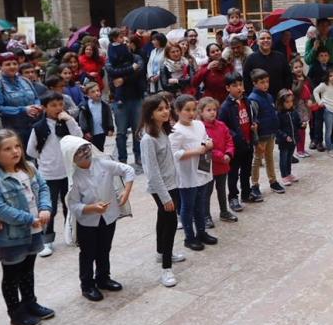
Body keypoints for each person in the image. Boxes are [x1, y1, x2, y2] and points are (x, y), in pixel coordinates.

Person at [0, 130, 55, 325]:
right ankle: (16, 314)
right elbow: (0, 209)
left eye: (17, 147)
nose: (15, 151)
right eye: (7, 149)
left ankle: (30, 303)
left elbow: (43, 187)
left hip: (34, 232)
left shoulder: (29, 168)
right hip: (11, 237)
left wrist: (45, 207)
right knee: (12, 275)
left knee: (27, 270)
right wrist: (30, 219)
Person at [62, 136, 134, 301]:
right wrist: (92, 208)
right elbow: (73, 205)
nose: (84, 153)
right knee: (88, 253)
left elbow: (128, 171)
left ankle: (103, 277)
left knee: (104, 248)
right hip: (88, 222)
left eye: (85, 148)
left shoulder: (103, 164)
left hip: (108, 217)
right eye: (78, 152)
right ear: (71, 157)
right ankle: (87, 285)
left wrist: (126, 191)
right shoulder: (74, 178)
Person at [26, 92, 82, 258]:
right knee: (49, 208)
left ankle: (71, 234)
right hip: (48, 175)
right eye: (53, 105)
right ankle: (46, 240)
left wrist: (70, 120)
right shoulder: (39, 127)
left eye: (60, 104)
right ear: (44, 108)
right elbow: (31, 151)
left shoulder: (66, 123)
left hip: (68, 172)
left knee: (70, 205)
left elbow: (78, 137)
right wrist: (46, 160)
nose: (58, 108)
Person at [140, 95, 183, 287]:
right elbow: (152, 172)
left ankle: (161, 253)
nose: (165, 111)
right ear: (150, 113)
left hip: (171, 184)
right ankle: (166, 268)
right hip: (162, 188)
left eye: (166, 107)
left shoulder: (163, 130)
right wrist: (165, 197)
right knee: (171, 223)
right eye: (160, 109)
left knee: (163, 219)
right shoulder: (148, 139)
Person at [169, 94, 217, 251]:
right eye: (186, 110)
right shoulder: (175, 131)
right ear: (177, 111)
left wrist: (209, 143)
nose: (191, 113)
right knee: (188, 206)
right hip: (187, 174)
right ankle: (189, 237)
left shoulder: (199, 124)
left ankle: (201, 232)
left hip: (201, 170)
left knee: (201, 203)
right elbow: (175, 154)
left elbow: (205, 138)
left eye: (193, 109)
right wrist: (196, 151)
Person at [104, 38, 145, 167]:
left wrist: (123, 79)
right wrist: (130, 70)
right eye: (122, 43)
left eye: (127, 42)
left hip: (136, 98)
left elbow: (139, 71)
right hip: (119, 100)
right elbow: (111, 72)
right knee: (121, 132)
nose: (125, 44)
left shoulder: (136, 58)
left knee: (137, 130)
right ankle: (122, 159)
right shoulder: (111, 61)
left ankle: (138, 155)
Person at [246, 69, 285, 200]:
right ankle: (255, 185)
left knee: (269, 158)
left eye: (267, 82)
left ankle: (273, 181)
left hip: (270, 133)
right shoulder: (253, 99)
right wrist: (256, 140)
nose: (265, 85)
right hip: (261, 136)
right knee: (257, 160)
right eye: (262, 82)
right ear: (254, 83)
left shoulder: (268, 96)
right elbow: (253, 121)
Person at [0, 52, 42, 145]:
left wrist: (37, 106)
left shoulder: (25, 80)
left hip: (33, 127)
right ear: (0, 66)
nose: (12, 66)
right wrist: (23, 110)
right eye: (7, 64)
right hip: (13, 131)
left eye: (14, 63)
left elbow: (36, 98)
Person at [217, 73, 252, 212]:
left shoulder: (246, 101)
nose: (239, 88)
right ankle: (233, 197)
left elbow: (250, 117)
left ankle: (246, 193)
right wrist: (236, 136)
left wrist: (255, 125)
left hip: (248, 142)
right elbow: (224, 127)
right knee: (233, 173)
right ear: (227, 88)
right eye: (234, 85)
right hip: (236, 146)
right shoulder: (225, 107)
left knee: (246, 171)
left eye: (240, 85)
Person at [199, 97, 236, 223]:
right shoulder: (200, 128)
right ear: (201, 112)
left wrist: (229, 153)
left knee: (221, 189)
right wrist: (222, 156)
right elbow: (206, 148)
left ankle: (224, 211)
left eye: (214, 109)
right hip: (208, 165)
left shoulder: (222, 125)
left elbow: (229, 140)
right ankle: (205, 216)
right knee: (206, 192)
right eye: (208, 110)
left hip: (223, 164)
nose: (212, 112)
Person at [243, 30, 291, 96]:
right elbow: (246, 81)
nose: (266, 40)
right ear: (257, 42)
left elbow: (288, 76)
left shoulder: (280, 57)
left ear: (272, 41)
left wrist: (286, 91)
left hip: (280, 98)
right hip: (260, 100)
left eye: (268, 38)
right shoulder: (250, 59)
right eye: (262, 38)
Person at [313, 69, 333, 157]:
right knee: (329, 131)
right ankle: (330, 148)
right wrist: (319, 102)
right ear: (327, 76)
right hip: (328, 110)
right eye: (330, 76)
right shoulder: (324, 85)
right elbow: (315, 91)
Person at [274, 90, 300, 185]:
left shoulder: (293, 112)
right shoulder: (278, 114)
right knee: (283, 158)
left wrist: (302, 124)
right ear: (281, 103)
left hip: (293, 139)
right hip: (284, 141)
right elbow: (276, 128)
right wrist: (285, 136)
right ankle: (284, 175)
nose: (290, 104)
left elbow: (297, 123)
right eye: (287, 102)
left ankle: (288, 174)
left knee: (289, 158)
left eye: (291, 101)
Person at [289, 58, 313, 158]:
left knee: (304, 128)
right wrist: (300, 82)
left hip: (305, 107)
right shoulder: (293, 80)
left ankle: (302, 149)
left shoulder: (306, 78)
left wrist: (311, 99)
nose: (298, 69)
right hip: (297, 107)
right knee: (299, 128)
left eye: (300, 66)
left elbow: (310, 90)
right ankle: (298, 150)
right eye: (296, 67)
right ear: (292, 70)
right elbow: (296, 91)